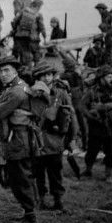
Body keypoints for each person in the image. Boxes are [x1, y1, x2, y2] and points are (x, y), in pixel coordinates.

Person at [0, 56, 39, 223]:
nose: (3, 74)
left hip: (19, 140)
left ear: (15, 71)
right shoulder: (14, 87)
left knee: (20, 178)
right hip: (18, 138)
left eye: (6, 70)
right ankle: (28, 211)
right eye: (0, 72)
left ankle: (30, 215)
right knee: (18, 176)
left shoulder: (17, 92)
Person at [30, 61, 77, 213]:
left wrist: (72, 139)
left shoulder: (61, 94)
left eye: (49, 74)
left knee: (56, 173)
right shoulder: (32, 93)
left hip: (55, 141)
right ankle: (41, 199)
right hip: (36, 141)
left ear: (53, 76)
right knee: (38, 173)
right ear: (37, 77)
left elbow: (71, 117)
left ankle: (58, 200)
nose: (46, 78)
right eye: (42, 75)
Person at [80, 65, 112, 183]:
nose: (111, 78)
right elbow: (82, 106)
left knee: (110, 152)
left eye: (111, 76)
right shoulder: (92, 91)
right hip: (96, 125)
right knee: (92, 150)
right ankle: (88, 170)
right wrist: (90, 115)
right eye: (108, 76)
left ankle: (108, 174)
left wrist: (101, 107)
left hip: (111, 126)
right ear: (101, 78)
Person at [11, 0, 46, 68]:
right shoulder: (38, 14)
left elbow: (15, 21)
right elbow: (42, 27)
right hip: (33, 37)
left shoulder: (23, 11)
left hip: (21, 36)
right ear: (38, 6)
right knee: (36, 53)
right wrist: (44, 36)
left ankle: (27, 68)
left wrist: (15, 30)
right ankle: (37, 68)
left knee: (25, 53)